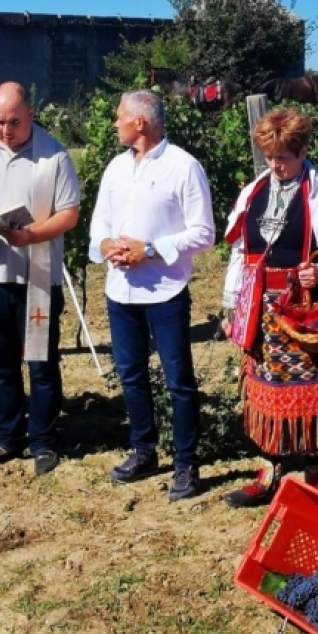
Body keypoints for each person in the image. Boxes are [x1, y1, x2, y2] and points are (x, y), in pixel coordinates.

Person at [220, 109, 318, 508]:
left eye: (283, 157)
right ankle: (269, 473)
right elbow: (240, 252)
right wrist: (231, 305)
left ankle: (316, 479)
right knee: (264, 392)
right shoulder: (254, 192)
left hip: (306, 312)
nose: (275, 165)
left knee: (314, 394)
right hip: (260, 311)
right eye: (269, 157)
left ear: (303, 151)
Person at [90, 90, 215, 503]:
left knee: (179, 381)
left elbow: (204, 233)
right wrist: (107, 245)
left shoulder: (184, 167)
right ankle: (144, 450)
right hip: (120, 290)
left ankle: (186, 463)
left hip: (165, 292)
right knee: (131, 375)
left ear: (140, 122)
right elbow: (99, 223)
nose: (115, 123)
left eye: (120, 116)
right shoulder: (116, 168)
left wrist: (151, 249)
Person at [0, 82, 80, 477]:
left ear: (31, 115)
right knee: (1, 363)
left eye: (14, 122)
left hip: (37, 276)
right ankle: (8, 437)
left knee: (41, 362)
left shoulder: (53, 155)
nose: (5, 130)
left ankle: (43, 440)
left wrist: (31, 235)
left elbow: (69, 213)